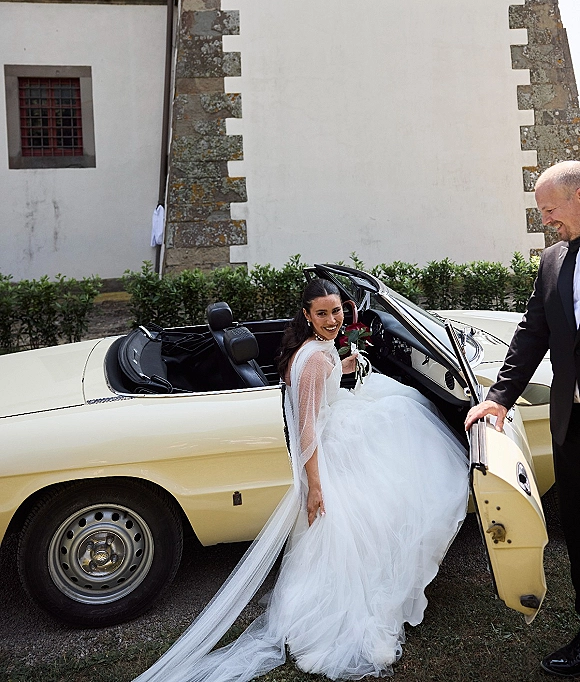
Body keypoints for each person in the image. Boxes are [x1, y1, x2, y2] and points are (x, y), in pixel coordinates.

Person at [134, 278, 468, 682]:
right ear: (307, 314)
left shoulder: (314, 350)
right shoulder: (312, 358)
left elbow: (316, 384)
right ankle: (342, 614)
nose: (332, 320)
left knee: (397, 412)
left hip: (331, 415)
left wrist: (339, 364)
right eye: (322, 314)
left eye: (337, 311)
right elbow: (309, 427)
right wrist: (316, 486)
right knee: (405, 424)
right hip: (326, 443)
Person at [465, 160, 580, 679]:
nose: (546, 221)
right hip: (573, 423)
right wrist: (500, 397)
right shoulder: (553, 260)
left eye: (550, 209)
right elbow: (532, 333)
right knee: (578, 531)